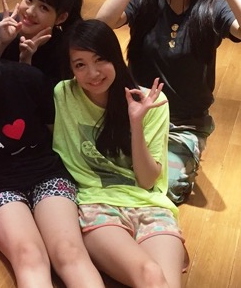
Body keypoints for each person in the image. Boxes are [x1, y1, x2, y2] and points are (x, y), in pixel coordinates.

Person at [96, 0, 241, 203]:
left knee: (165, 186)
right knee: (99, 169)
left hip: (183, 124)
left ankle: (186, 153)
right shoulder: (146, 1)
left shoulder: (212, 9)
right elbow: (102, 23)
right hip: (138, 115)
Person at [0, 16, 103, 288]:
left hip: (46, 174)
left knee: (69, 251)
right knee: (29, 255)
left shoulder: (24, 79)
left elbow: (56, 134)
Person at [53, 19, 186, 288]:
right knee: (150, 273)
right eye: (80, 65)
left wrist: (136, 123)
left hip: (150, 205)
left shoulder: (153, 102)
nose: (93, 73)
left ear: (115, 56)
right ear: (71, 69)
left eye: (100, 59)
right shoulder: (65, 94)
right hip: (97, 203)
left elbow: (147, 181)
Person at [0, 0, 83, 86]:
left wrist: (25, 62)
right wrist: (1, 43)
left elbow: (45, 96)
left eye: (44, 8)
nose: (30, 11)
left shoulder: (63, 51)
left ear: (61, 18)